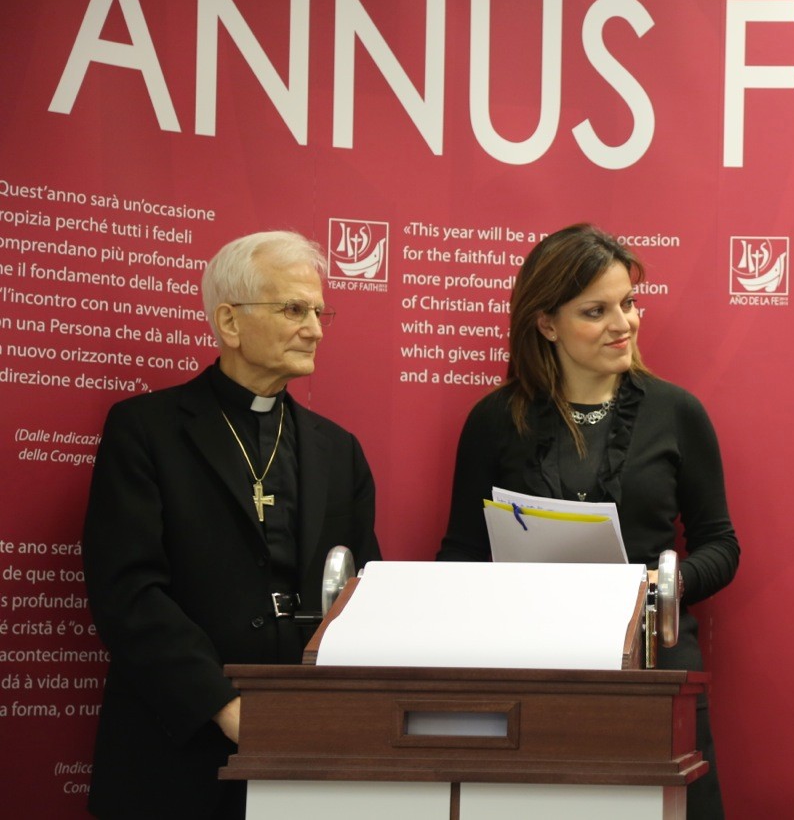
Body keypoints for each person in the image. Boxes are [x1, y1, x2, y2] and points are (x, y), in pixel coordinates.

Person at [437, 223, 740, 819]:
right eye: (595, 311)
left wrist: (665, 584)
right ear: (547, 324)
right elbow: (460, 553)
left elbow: (720, 545)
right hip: (528, 665)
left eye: (629, 303)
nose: (623, 324)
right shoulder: (494, 419)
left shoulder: (677, 412)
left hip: (653, 662)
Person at [82, 231, 382, 819]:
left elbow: (361, 594)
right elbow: (128, 591)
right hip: (175, 744)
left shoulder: (339, 451)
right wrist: (223, 707)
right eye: (294, 309)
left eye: (319, 312)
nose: (316, 330)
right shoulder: (145, 430)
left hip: (305, 749)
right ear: (229, 321)